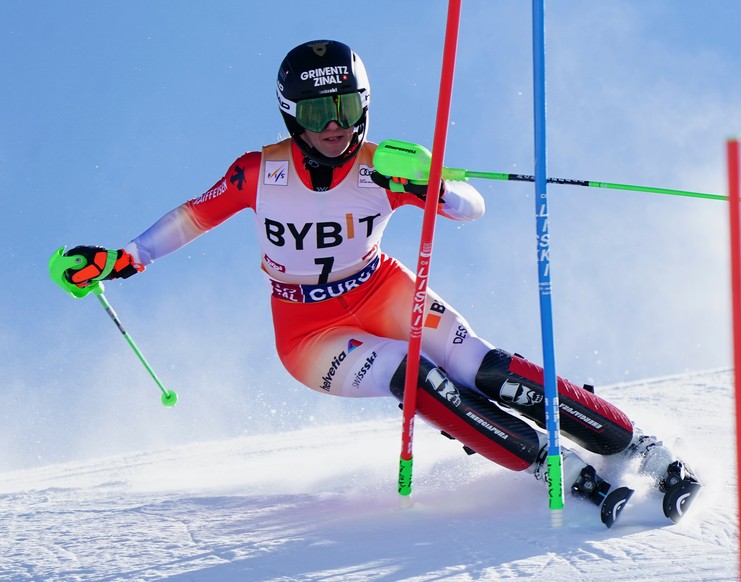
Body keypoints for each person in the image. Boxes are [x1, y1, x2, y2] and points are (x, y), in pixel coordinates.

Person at [55, 40, 700, 527]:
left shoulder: (381, 166)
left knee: (487, 369)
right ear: (291, 115)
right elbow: (192, 216)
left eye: (344, 106)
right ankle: (548, 464)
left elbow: (470, 207)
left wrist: (433, 185)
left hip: (381, 289)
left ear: (362, 105)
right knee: (416, 377)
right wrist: (126, 258)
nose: (332, 124)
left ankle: (635, 446)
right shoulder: (259, 172)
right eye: (316, 110)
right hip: (310, 331)